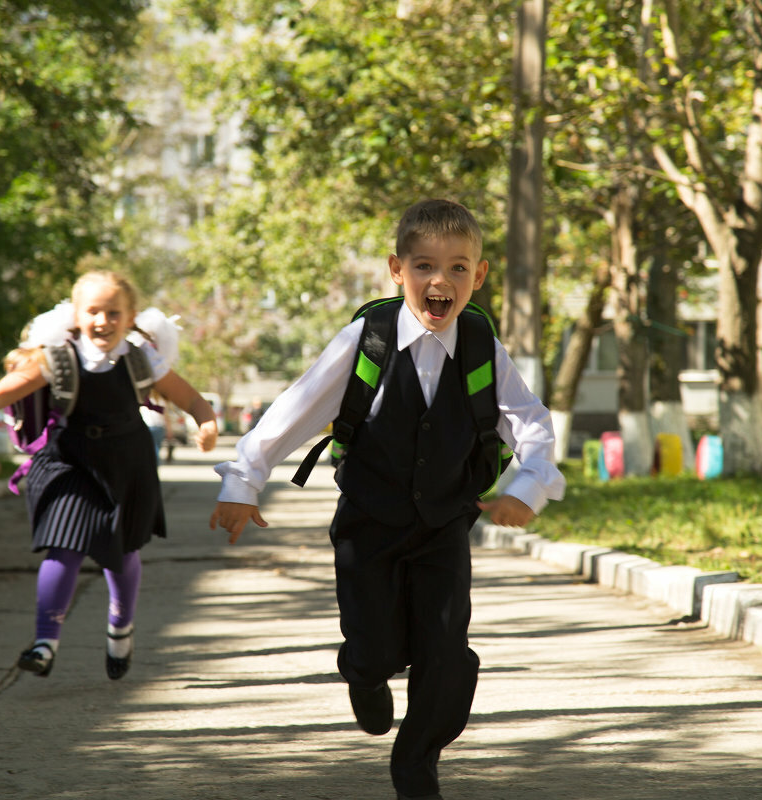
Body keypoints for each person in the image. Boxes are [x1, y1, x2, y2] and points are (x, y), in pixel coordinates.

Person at [210, 199, 565, 800]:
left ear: (478, 278)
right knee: (375, 646)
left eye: (458, 268)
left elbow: (530, 424)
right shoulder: (367, 339)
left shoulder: (481, 344)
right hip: (367, 526)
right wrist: (242, 482)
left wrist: (527, 489)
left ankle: (417, 762)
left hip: (444, 526)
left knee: (445, 649)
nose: (439, 281)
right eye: (424, 265)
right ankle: (364, 674)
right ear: (396, 269)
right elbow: (295, 410)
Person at [0, 270, 219, 680]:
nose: (103, 321)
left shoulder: (142, 360)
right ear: (75, 315)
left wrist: (207, 424)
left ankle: (120, 629)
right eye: (93, 311)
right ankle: (44, 643)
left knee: (123, 552)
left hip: (127, 463)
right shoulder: (55, 359)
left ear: (130, 318)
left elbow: (192, 399)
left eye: (114, 313)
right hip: (68, 459)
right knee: (64, 547)